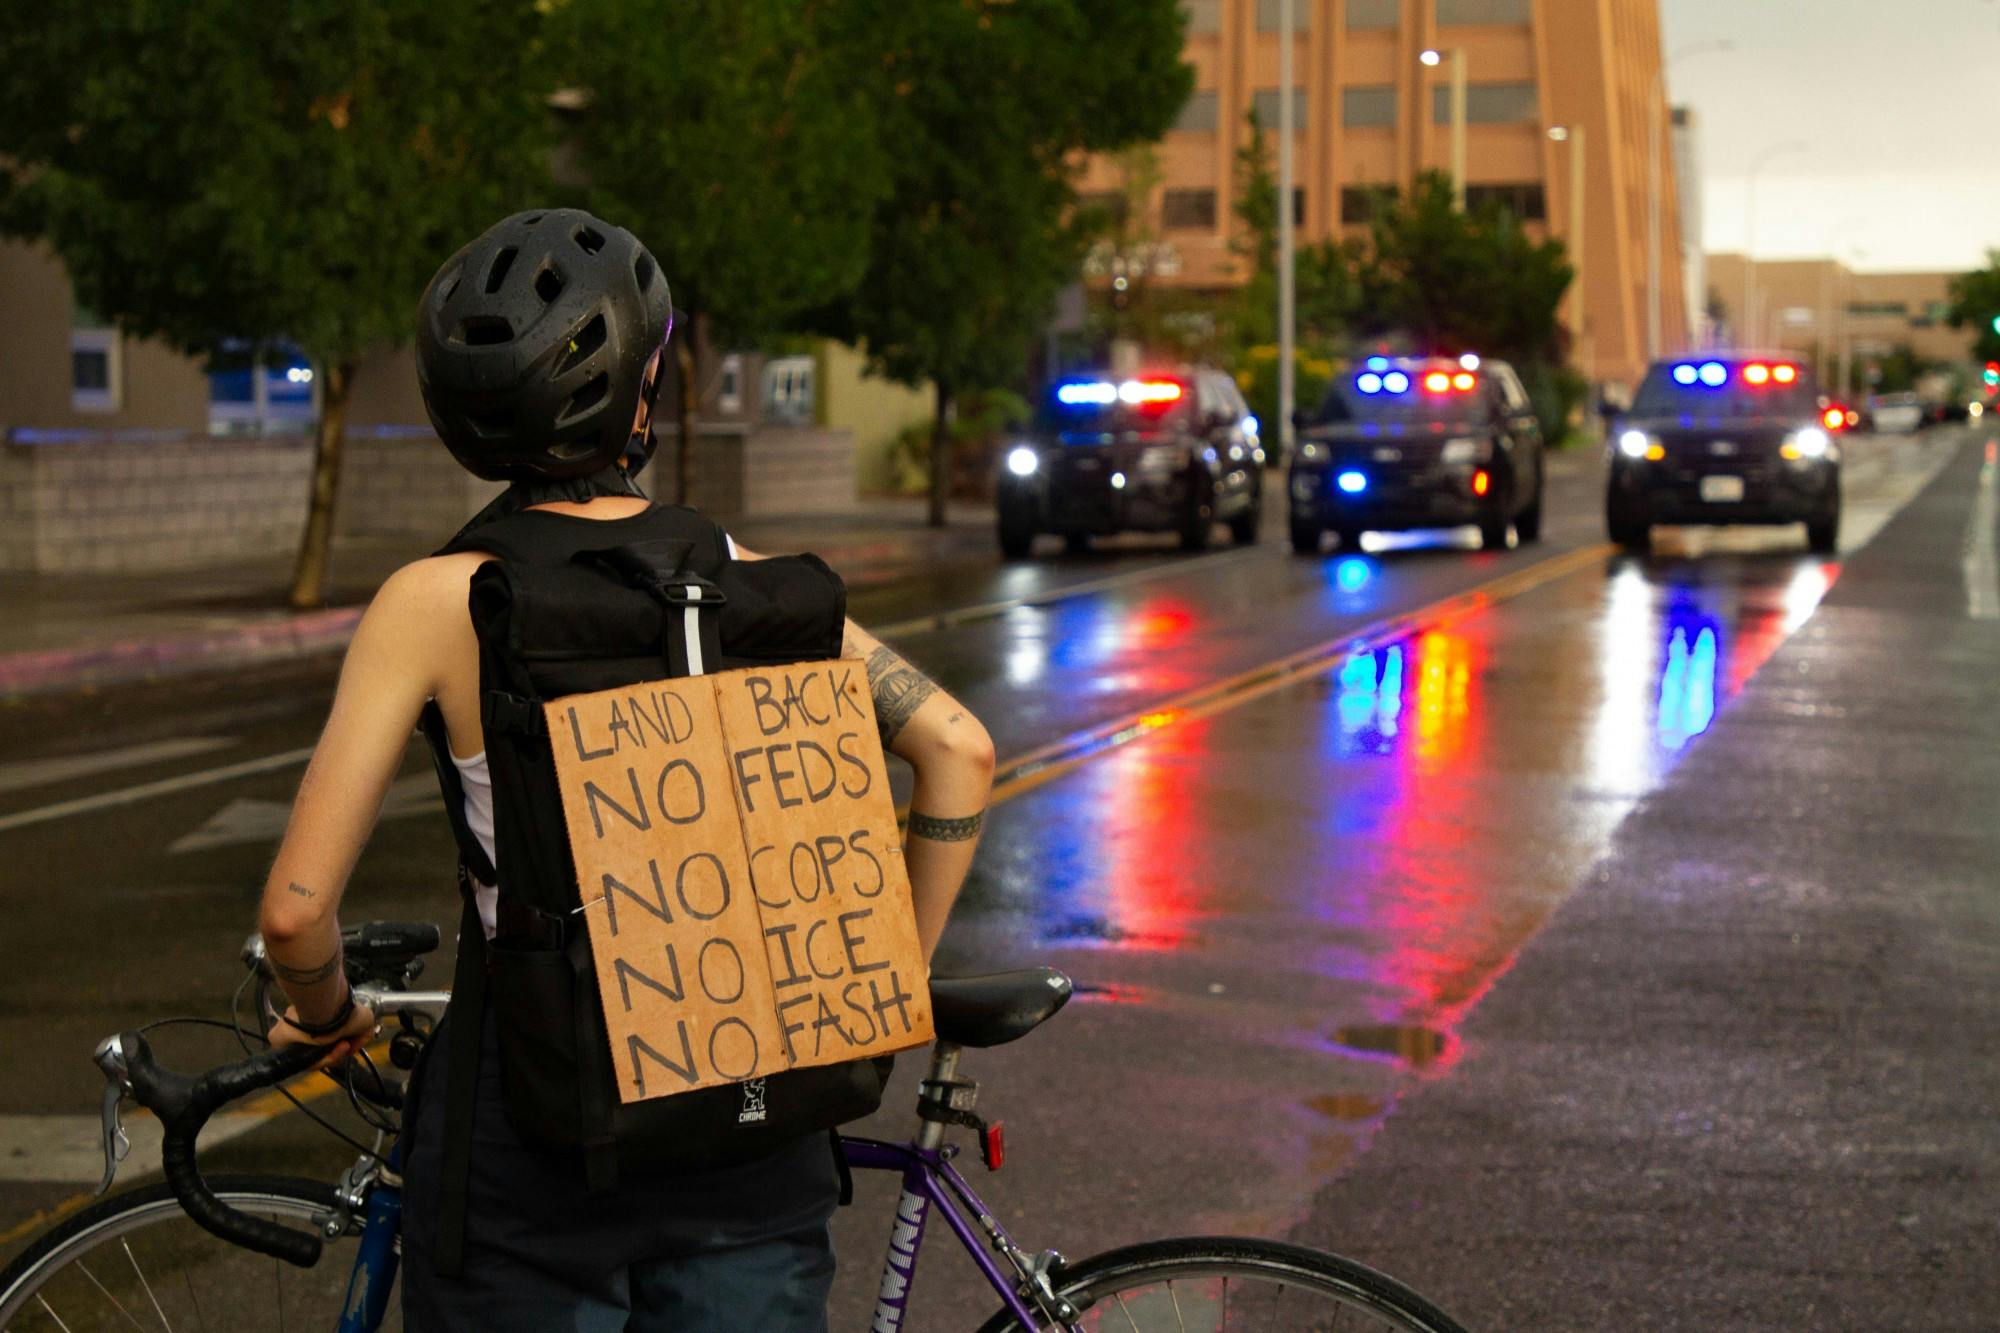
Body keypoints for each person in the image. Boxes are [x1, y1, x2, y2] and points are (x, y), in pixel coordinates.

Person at [255, 208, 995, 1330]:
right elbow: (957, 750)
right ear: (642, 392)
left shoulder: (438, 600)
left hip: (530, 1142)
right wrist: (865, 993)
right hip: (752, 1127)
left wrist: (324, 1013)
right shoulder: (751, 582)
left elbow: (296, 913)